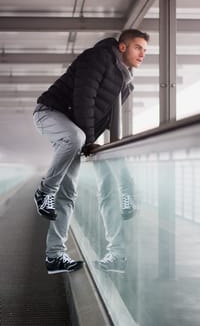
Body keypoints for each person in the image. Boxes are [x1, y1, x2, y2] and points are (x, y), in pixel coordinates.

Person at [33, 29, 149, 274]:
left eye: (145, 50)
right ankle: (45, 191)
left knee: (70, 191)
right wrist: (87, 142)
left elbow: (109, 121)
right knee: (76, 138)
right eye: (138, 47)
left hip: (77, 132)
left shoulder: (126, 83)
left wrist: (99, 147)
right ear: (122, 47)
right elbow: (83, 98)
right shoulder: (97, 58)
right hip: (51, 113)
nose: (143, 54)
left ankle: (55, 257)